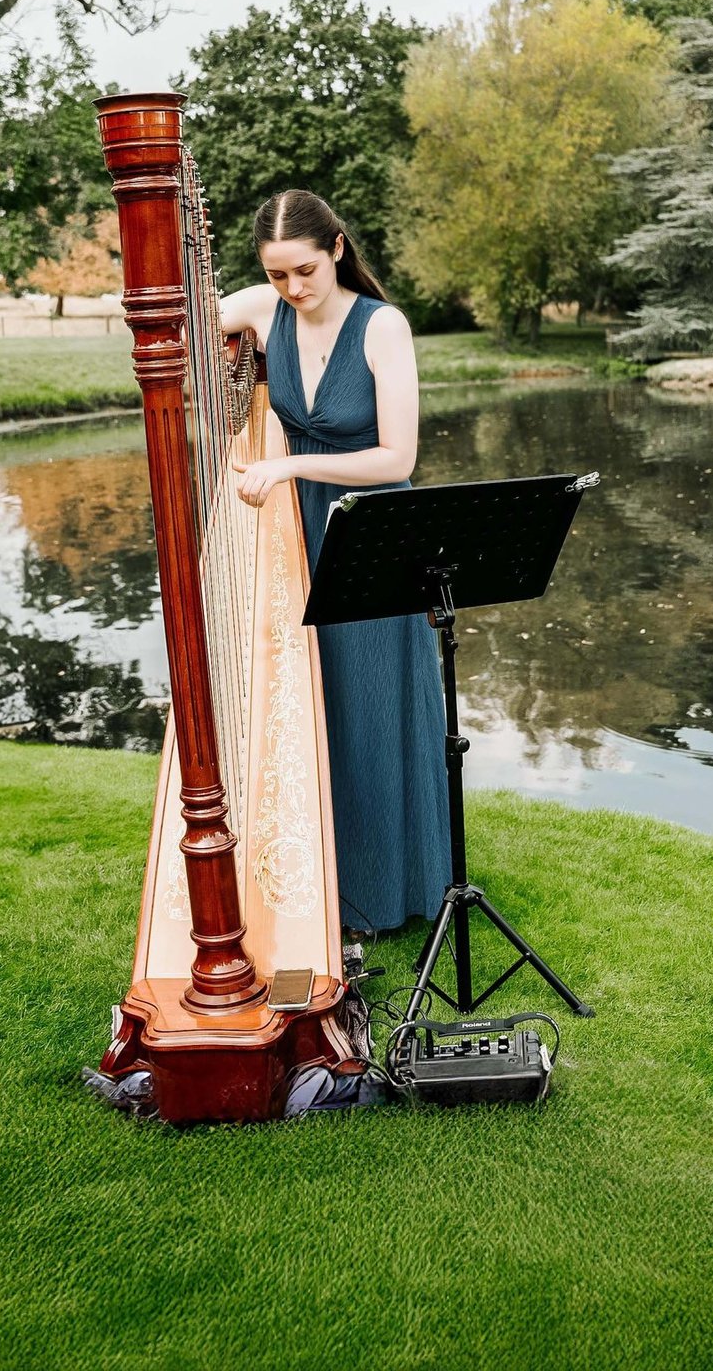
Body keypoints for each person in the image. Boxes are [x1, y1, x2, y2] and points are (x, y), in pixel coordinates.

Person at [220, 189, 449, 934]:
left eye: (305, 271)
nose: (293, 288)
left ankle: (391, 890)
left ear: (338, 249)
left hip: (371, 528)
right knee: (318, 706)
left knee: (375, 702)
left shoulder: (382, 326)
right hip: (297, 532)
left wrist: (287, 467)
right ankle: (318, 885)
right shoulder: (265, 309)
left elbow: (396, 457)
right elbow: (184, 326)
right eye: (277, 273)